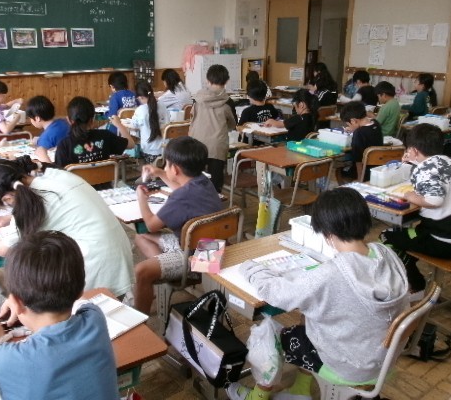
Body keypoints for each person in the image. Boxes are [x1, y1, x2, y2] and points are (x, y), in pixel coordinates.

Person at [226, 188, 408, 400]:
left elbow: (277, 293)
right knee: (309, 317)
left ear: (328, 234)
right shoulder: (386, 253)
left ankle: (257, 396)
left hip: (349, 365)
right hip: (380, 356)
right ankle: (301, 388)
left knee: (271, 333)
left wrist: (249, 267)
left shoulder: (331, 274)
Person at [0, 230, 119, 400]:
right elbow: (80, 298)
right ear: (80, 289)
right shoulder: (94, 317)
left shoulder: (9, 360)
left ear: (16, 303)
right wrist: (19, 299)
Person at [0, 157, 133, 297]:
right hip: (118, 252)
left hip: (100, 266)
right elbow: (58, 207)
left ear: (8, 198)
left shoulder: (38, 199)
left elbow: (5, 248)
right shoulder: (55, 176)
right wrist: (8, 218)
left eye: (5, 206)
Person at [381, 124, 451, 298]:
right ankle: (408, 267)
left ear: (414, 151)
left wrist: (410, 195)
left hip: (445, 242)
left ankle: (416, 284)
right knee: (411, 233)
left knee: (387, 236)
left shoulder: (425, 169)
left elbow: (434, 200)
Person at [133, 136, 223, 314]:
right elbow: (182, 188)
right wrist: (160, 173)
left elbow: (151, 225)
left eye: (166, 164)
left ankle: (140, 321)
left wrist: (141, 199)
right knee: (141, 237)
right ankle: (162, 268)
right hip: (212, 248)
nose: (165, 168)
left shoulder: (180, 198)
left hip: (200, 260)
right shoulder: (204, 181)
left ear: (175, 169)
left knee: (140, 271)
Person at [189, 64, 237, 193]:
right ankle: (215, 201)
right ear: (226, 81)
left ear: (207, 80)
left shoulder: (197, 99)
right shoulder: (228, 102)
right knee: (215, 181)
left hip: (197, 143)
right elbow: (233, 124)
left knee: (195, 177)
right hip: (217, 145)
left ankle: (196, 199)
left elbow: (192, 117)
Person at [55, 96, 135, 169]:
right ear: (92, 120)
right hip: (105, 180)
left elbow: (59, 174)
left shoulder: (64, 145)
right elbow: (131, 144)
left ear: (69, 120)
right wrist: (119, 124)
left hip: (77, 181)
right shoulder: (105, 136)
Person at [336, 101, 383, 183]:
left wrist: (360, 179)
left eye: (348, 124)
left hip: (365, 173)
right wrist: (353, 128)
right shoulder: (376, 124)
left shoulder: (358, 134)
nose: (348, 126)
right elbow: (365, 129)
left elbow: (358, 160)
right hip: (378, 169)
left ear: (354, 121)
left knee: (338, 170)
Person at [129, 81, 169, 164]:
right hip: (165, 150)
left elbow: (133, 126)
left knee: (136, 143)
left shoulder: (140, 110)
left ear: (140, 97)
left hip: (149, 151)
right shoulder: (162, 105)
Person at [25, 95, 70, 164]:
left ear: (37, 118)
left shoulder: (45, 138)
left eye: (30, 118)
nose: (31, 121)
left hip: (59, 166)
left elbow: (43, 158)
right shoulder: (64, 122)